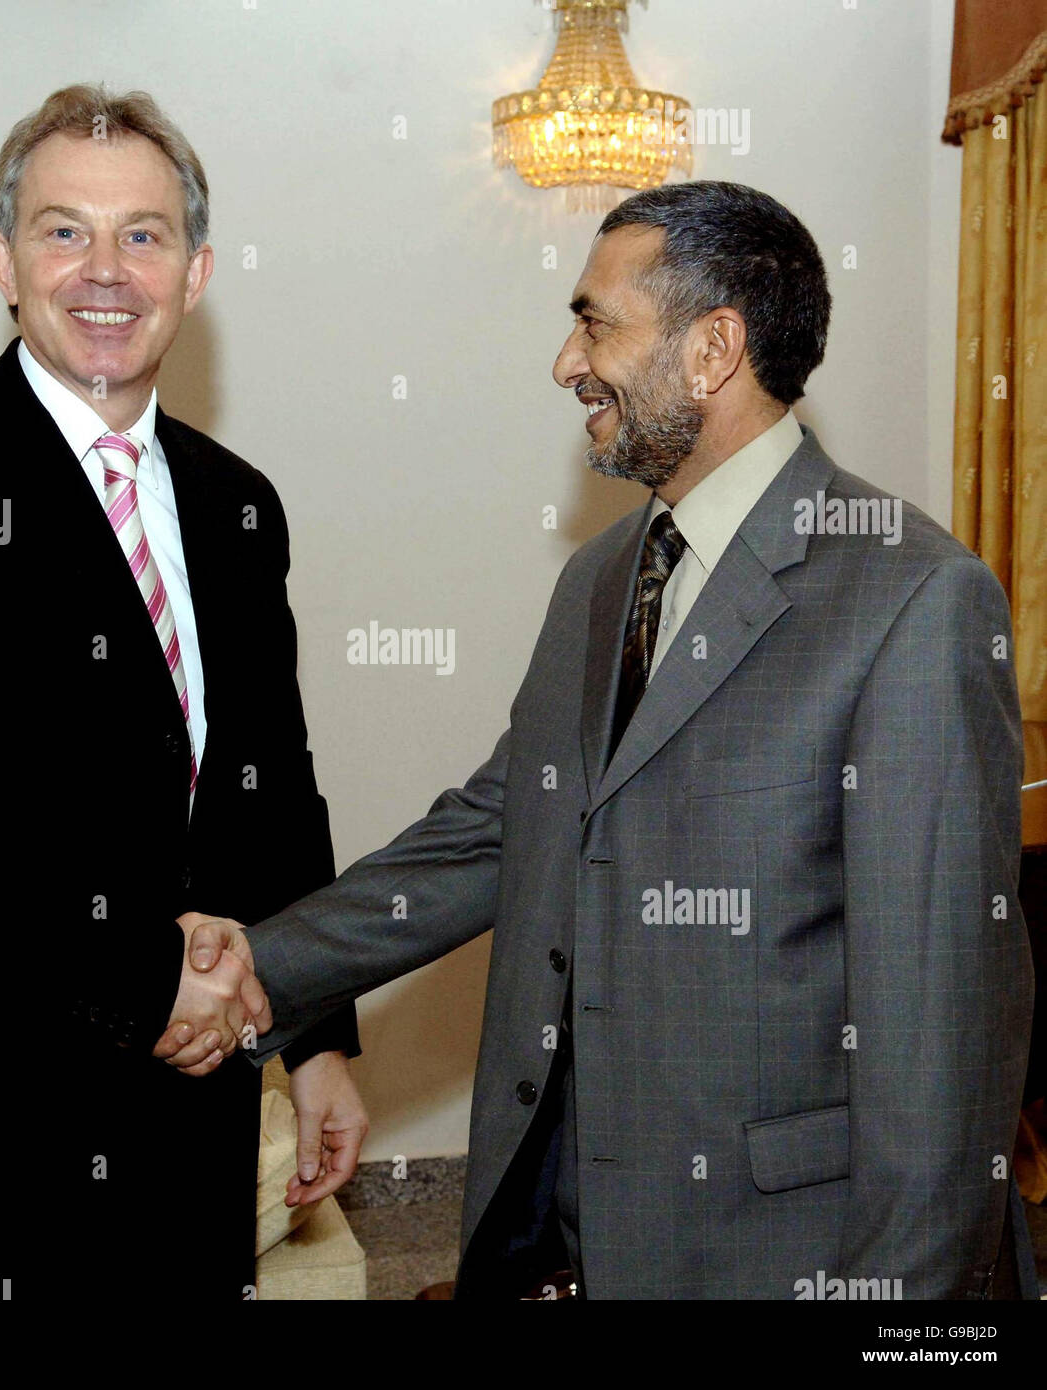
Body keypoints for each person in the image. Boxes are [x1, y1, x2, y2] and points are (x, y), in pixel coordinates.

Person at [158, 182, 1038, 1300]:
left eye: (594, 321)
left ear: (712, 348)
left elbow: (942, 1041)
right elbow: (494, 829)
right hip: (574, 1233)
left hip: (790, 1258)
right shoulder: (599, 578)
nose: (566, 364)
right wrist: (261, 965)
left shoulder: (911, 598)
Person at [0, 83, 365, 1304]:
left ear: (194, 273)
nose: (106, 270)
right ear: (2, 260)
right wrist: (141, 973)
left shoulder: (237, 503)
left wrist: (315, 1039)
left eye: (143, 234)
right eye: (63, 230)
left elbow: (270, 790)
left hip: (180, 1112)